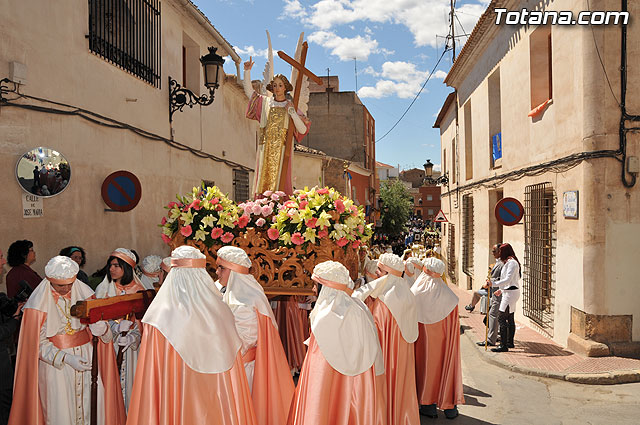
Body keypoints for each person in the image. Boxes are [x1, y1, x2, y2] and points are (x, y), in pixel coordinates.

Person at [126, 246, 256, 425]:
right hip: (215, 395)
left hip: (174, 396)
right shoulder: (220, 311)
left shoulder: (157, 317)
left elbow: (152, 376)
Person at [8, 256, 125, 425]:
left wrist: (103, 330)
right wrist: (66, 358)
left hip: (87, 359)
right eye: (61, 285)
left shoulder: (86, 295)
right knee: (59, 411)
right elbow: (36, 344)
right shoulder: (37, 304)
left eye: (70, 284)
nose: (67, 289)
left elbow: (104, 337)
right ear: (50, 281)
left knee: (92, 407)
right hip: (56, 366)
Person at [287, 261, 385, 425]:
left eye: (315, 285)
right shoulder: (359, 308)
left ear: (325, 287)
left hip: (329, 388)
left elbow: (318, 374)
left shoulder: (325, 317)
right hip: (359, 389)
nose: (312, 289)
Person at [217, 246, 294, 425]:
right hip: (224, 363)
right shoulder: (222, 290)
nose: (217, 272)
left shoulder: (247, 300)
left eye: (221, 268)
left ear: (234, 271)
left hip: (242, 369)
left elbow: (244, 340)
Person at [353, 253, 420, 425]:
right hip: (401, 356)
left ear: (388, 274)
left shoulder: (385, 299)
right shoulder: (406, 293)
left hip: (385, 356)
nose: (376, 273)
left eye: (380, 270)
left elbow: (376, 330)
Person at [244, 57, 310, 195]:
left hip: (283, 149)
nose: (277, 88)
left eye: (280, 85)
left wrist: (292, 112)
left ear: (285, 87)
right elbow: (250, 94)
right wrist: (247, 71)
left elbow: (302, 129)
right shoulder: (265, 103)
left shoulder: (291, 106)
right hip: (265, 147)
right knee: (263, 180)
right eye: (275, 85)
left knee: (281, 180)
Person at [411, 257, 464, 419]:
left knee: (425, 368)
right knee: (445, 367)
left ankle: (428, 405)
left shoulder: (415, 293)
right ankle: (450, 406)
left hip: (422, 345)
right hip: (444, 345)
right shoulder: (450, 297)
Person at [95, 248, 145, 411]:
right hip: (108, 344)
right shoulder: (102, 289)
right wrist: (114, 327)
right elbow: (96, 318)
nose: (112, 269)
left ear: (127, 267)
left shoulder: (139, 291)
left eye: (117, 265)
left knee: (130, 385)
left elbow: (143, 322)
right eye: (110, 265)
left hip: (130, 348)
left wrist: (133, 337)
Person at [489, 243, 521, 353]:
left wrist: (493, 284)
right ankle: (509, 342)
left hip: (510, 294)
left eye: (500, 252)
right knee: (510, 318)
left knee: (501, 318)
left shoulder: (512, 263)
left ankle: (503, 345)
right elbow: (509, 281)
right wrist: (501, 290)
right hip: (509, 292)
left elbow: (508, 279)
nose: (498, 254)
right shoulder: (509, 262)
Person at [476, 244, 504, 347]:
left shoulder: (502, 264)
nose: (492, 253)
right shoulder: (498, 263)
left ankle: (491, 340)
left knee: (493, 315)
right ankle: (497, 337)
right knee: (494, 316)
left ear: (500, 252)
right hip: (495, 293)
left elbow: (503, 279)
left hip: (499, 294)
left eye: (494, 251)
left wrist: (491, 281)